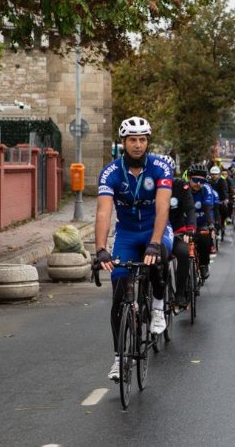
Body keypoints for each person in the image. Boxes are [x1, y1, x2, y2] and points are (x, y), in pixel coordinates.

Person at [95, 116, 174, 382]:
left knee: (158, 258)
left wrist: (155, 241)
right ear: (124, 143)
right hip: (127, 234)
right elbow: (104, 213)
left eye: (142, 140)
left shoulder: (161, 167)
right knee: (118, 296)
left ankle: (158, 307)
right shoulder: (110, 173)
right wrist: (100, 249)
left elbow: (163, 207)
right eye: (132, 140)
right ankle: (119, 359)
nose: (138, 145)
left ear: (147, 142)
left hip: (156, 228)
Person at [157, 154, 196, 309]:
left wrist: (190, 228)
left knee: (184, 253)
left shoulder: (181, 186)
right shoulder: (149, 186)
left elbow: (190, 208)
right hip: (155, 233)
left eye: (168, 172)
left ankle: (180, 293)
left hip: (177, 231)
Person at [188, 163, 219, 280]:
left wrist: (211, 225)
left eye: (202, 181)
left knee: (205, 240)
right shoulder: (184, 189)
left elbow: (207, 208)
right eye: (195, 180)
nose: (198, 184)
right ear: (189, 179)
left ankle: (203, 265)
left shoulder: (206, 188)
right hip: (187, 223)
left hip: (202, 222)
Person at [210, 165, 230, 231]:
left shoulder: (222, 181)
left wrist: (226, 199)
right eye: (212, 175)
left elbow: (225, 191)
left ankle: (223, 222)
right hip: (210, 200)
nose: (214, 176)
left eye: (216, 175)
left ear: (219, 175)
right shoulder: (208, 181)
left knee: (224, 208)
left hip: (220, 200)